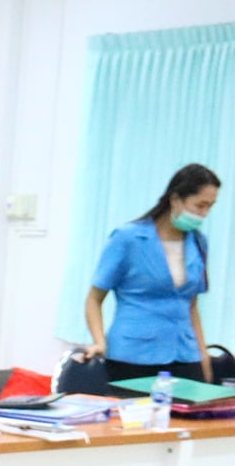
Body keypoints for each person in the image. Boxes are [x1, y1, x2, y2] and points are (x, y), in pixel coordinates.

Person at [84, 162, 219, 383]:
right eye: (200, 205)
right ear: (175, 199)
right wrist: (100, 342)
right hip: (133, 356)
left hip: (184, 354)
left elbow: (191, 305)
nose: (204, 214)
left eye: (210, 207)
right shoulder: (127, 238)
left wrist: (202, 354)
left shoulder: (198, 242)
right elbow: (94, 299)